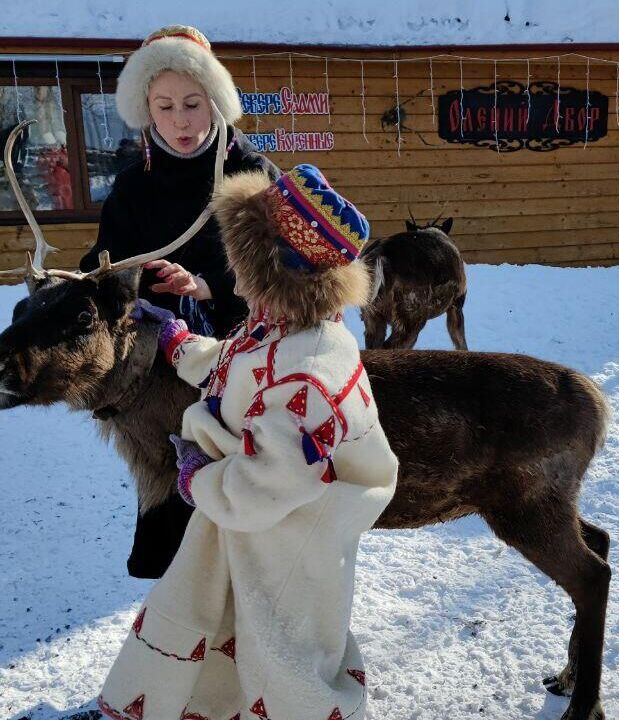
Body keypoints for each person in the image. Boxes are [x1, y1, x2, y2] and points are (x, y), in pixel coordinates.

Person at [97, 164, 397, 720]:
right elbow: (242, 367)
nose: (233, 283)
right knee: (233, 637)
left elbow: (262, 486)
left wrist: (195, 477)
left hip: (285, 548)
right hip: (256, 539)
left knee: (282, 659)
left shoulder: (310, 375)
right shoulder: (286, 329)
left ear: (281, 273)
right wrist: (180, 343)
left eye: (244, 268)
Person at [84, 25, 280, 580]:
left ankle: (249, 557)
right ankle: (177, 563)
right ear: (146, 109)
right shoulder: (134, 186)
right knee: (168, 455)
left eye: (193, 104)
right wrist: (135, 278)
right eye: (164, 106)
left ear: (215, 99)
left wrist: (205, 284)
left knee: (243, 459)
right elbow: (105, 260)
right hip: (159, 358)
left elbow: (285, 263)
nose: (181, 120)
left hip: (243, 341)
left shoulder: (253, 172)